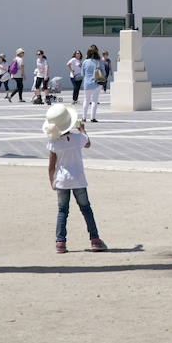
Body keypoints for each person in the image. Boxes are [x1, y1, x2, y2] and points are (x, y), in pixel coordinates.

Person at [43, 102, 107, 253]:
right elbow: (88, 144)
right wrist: (82, 129)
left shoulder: (54, 142)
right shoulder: (78, 137)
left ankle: (60, 242)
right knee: (86, 209)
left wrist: (52, 181)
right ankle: (95, 240)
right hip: (78, 179)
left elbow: (51, 165)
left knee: (62, 211)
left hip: (62, 180)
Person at [81, 48, 103, 123]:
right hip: (96, 83)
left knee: (86, 100)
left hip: (87, 84)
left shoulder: (85, 62)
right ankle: (92, 118)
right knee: (94, 101)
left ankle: (83, 117)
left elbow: (82, 74)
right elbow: (103, 72)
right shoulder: (99, 62)